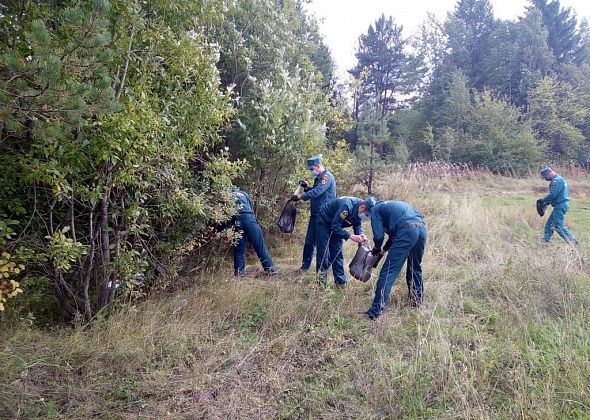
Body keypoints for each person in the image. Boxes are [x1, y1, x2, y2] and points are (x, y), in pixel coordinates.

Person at [364, 199, 427, 319]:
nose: (367, 217)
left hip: (407, 231)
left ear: (369, 210)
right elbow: (394, 235)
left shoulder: (375, 210)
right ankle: (417, 301)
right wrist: (383, 251)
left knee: (388, 272)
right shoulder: (389, 207)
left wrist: (376, 250)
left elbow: (378, 236)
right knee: (415, 267)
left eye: (367, 215)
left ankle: (375, 312)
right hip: (421, 228)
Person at [291, 156, 336, 273]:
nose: (311, 171)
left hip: (325, 216)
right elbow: (314, 191)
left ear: (317, 166)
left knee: (323, 244)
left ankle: (325, 268)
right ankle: (305, 266)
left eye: (312, 169)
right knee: (309, 242)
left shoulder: (327, 177)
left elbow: (317, 192)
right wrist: (306, 187)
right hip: (315, 215)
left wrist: (300, 197)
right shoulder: (318, 178)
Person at [314, 196, 369, 286]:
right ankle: (321, 284)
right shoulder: (346, 206)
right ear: (362, 207)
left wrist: (361, 234)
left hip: (337, 226)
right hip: (324, 222)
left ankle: (340, 283)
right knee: (323, 254)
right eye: (367, 214)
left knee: (337, 253)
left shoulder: (359, 209)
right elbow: (335, 226)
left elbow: (357, 224)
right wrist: (350, 236)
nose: (367, 217)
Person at [231, 186, 278, 277]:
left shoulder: (228, 195)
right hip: (249, 219)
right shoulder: (244, 193)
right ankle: (271, 271)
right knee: (260, 247)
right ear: (237, 189)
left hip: (237, 221)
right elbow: (251, 208)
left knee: (239, 249)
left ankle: (239, 274)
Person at [539, 167, 577, 244]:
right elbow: (557, 194)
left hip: (560, 205)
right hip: (560, 204)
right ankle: (546, 240)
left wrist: (544, 200)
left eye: (545, 177)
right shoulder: (559, 179)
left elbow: (553, 194)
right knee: (549, 224)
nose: (545, 179)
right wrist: (548, 202)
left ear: (549, 174)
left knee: (557, 225)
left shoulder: (556, 181)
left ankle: (571, 240)